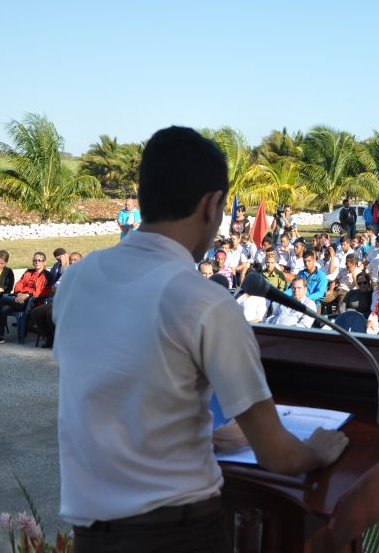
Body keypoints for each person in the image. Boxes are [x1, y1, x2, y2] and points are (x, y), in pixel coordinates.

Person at [53, 126, 346, 552]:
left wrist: (206, 429)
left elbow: (118, 387)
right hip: (176, 534)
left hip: (92, 537)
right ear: (212, 206)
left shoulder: (78, 280)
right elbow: (278, 456)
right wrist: (317, 449)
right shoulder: (203, 303)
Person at [0, 251, 52, 345]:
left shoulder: (47, 275)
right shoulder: (28, 272)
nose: (37, 262)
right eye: (35, 260)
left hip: (31, 302)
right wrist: (18, 293)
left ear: (44, 262)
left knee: (3, 297)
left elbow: (44, 292)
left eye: (39, 260)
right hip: (18, 299)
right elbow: (19, 284)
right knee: (3, 309)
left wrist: (27, 295)